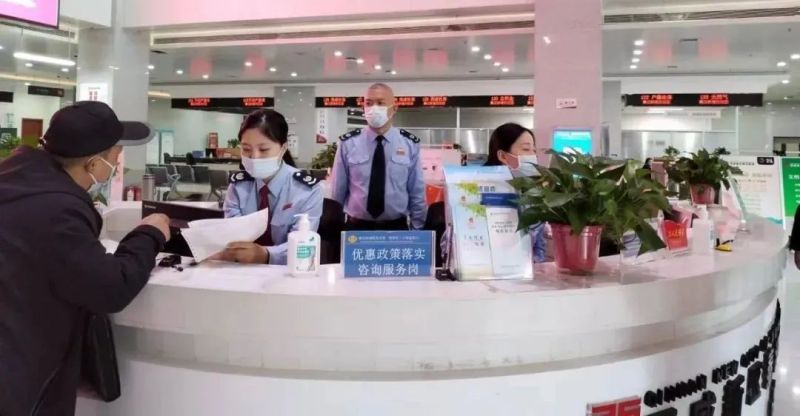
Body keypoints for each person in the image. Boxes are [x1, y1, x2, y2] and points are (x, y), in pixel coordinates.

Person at [0, 101, 171, 415]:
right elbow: (110, 288)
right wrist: (149, 234)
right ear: (94, 164)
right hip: (17, 380)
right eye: (116, 155)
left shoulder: (15, 182)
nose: (117, 163)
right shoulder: (57, 211)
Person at [221, 109, 323, 265]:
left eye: (263, 150)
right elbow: (232, 233)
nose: (254, 157)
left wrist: (265, 255)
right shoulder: (237, 186)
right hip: (241, 270)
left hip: (289, 270)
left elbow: (303, 242)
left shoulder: (307, 190)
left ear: (283, 148)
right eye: (246, 149)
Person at [330, 83, 427, 231]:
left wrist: (417, 231)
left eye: (380, 103)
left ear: (394, 108)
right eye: (368, 103)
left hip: (396, 228)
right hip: (356, 228)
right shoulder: (348, 144)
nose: (373, 108)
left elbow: (417, 192)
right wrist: (336, 230)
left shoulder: (409, 144)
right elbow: (338, 192)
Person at [484, 122, 547, 263]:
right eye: (526, 149)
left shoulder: (533, 195)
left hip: (525, 272)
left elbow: (539, 248)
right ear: (502, 156)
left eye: (534, 150)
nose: (533, 156)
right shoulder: (479, 191)